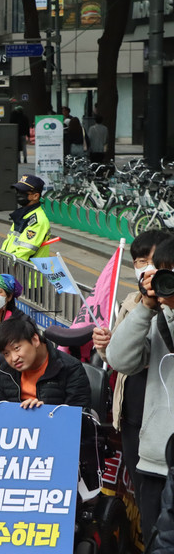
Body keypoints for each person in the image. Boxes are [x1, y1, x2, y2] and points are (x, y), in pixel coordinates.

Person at [92, 229, 171, 539]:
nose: (151, 272)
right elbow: (122, 358)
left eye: (160, 267)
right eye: (142, 262)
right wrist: (148, 306)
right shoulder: (139, 305)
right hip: (147, 435)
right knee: (155, 531)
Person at [0, 317, 91, 408]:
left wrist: (43, 412)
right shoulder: (4, 372)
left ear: (35, 340)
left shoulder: (70, 369)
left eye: (17, 348)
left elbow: (79, 417)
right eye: (6, 353)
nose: (14, 358)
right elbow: (2, 415)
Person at [2, 174, 51, 260]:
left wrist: (4, 262)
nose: (18, 194)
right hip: (11, 265)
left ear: (35, 196)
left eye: (23, 192)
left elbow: (25, 250)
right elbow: (9, 241)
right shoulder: (21, 215)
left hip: (24, 267)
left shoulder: (38, 220)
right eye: (18, 191)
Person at [10, 99, 30, 164]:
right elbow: (27, 127)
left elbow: (11, 122)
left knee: (17, 147)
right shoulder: (25, 117)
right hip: (23, 134)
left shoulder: (15, 117)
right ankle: (25, 158)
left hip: (17, 134)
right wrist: (28, 135)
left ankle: (18, 159)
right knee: (24, 146)